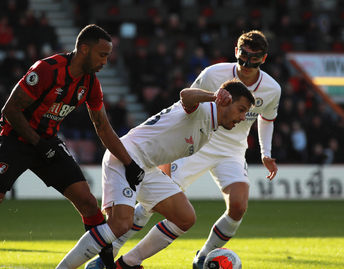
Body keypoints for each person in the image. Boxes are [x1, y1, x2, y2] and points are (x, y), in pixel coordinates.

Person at [0, 24, 145, 269]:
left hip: (47, 144)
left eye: (108, 56)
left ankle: (106, 266)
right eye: (102, 55)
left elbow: (103, 129)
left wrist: (129, 163)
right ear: (84, 49)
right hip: (13, 141)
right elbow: (11, 110)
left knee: (89, 203)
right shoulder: (47, 70)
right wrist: (39, 143)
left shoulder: (90, 84)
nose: (105, 61)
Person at [85, 30, 281, 269]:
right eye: (243, 57)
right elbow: (186, 104)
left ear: (264, 59)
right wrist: (169, 147)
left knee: (238, 206)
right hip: (199, 143)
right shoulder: (214, 74)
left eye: (255, 59)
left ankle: (201, 257)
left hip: (232, 151)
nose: (247, 64)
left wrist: (266, 153)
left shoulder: (272, 89)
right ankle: (107, 256)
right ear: (236, 53)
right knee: (151, 203)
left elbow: (267, 119)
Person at [56, 78, 256, 269]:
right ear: (226, 101)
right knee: (120, 224)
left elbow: (168, 147)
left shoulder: (209, 128)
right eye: (241, 110)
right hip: (126, 156)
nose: (242, 118)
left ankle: (127, 264)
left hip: (147, 167)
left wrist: (165, 181)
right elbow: (186, 95)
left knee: (185, 217)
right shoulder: (204, 110)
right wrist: (214, 95)